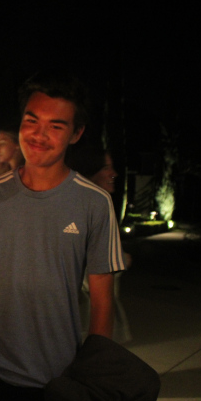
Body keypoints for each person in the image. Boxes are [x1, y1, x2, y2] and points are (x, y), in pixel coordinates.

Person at [0, 70, 126, 401]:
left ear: (75, 134)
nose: (39, 135)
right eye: (32, 120)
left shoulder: (94, 204)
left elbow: (102, 305)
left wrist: (88, 392)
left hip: (54, 383)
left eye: (56, 126)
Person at [68, 146, 133, 343]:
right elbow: (86, 270)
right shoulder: (82, 210)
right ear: (88, 171)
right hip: (83, 319)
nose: (114, 174)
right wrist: (121, 260)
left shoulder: (97, 206)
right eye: (106, 168)